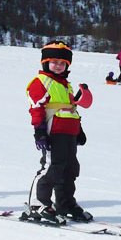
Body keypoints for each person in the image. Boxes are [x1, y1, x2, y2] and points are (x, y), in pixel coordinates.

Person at [25, 41, 93, 224]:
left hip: (68, 133)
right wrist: (39, 132)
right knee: (51, 167)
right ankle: (37, 204)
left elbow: (72, 109)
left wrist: (79, 130)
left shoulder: (66, 85)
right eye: (54, 62)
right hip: (52, 132)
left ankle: (65, 203)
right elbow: (36, 108)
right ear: (45, 62)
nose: (58, 66)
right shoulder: (41, 82)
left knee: (70, 169)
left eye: (62, 63)